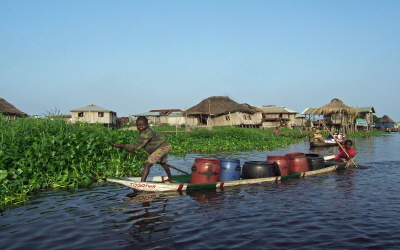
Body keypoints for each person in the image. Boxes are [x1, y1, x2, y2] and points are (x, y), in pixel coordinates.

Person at [111, 116, 175, 182]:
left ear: (147, 124)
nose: (141, 127)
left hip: (162, 148)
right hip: (164, 147)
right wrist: (132, 149)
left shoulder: (148, 133)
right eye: (138, 125)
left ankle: (142, 183)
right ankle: (171, 179)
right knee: (163, 163)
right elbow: (141, 144)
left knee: (147, 165)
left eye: (143, 125)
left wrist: (121, 145)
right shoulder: (143, 132)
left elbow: (137, 145)